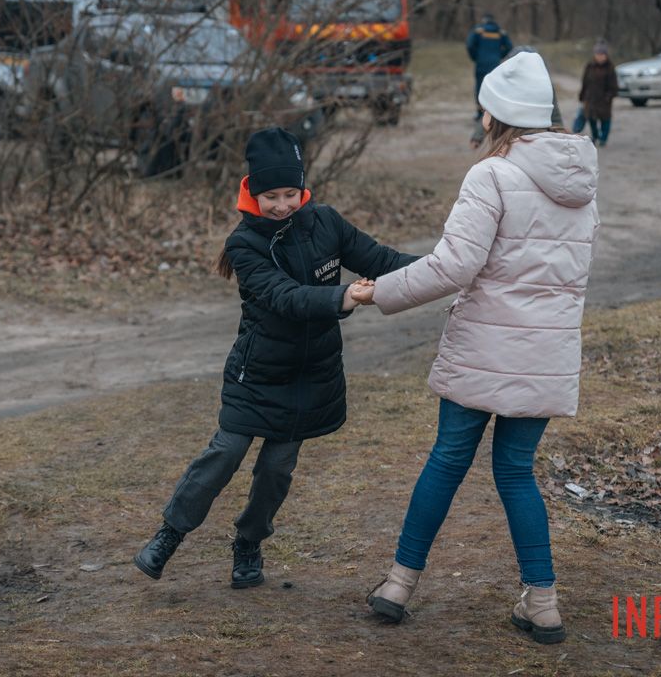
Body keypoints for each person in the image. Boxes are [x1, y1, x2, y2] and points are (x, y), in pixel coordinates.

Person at [352, 52, 599, 644]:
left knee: (447, 460)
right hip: (546, 355)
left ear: (494, 115)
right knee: (515, 471)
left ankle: (398, 585)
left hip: (484, 346)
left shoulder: (490, 174)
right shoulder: (583, 184)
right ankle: (543, 604)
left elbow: (453, 266)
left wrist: (378, 291)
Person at [133, 127, 418, 587]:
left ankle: (249, 542)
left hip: (313, 374)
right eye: (271, 196)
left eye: (290, 194)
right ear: (253, 192)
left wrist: (444, 266)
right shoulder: (243, 245)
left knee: (277, 468)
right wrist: (346, 296)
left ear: (302, 188)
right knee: (224, 453)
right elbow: (285, 297)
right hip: (259, 373)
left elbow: (382, 259)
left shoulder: (326, 222)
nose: (283, 205)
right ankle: (171, 532)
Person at [466, 13, 513, 120]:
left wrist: (475, 57)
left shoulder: (478, 31)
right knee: (494, 88)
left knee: (480, 87)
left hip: (481, 64)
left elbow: (470, 45)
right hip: (495, 65)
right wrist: (499, 55)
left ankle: (480, 113)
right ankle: (493, 113)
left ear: (484, 20)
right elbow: (509, 47)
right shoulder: (500, 32)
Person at [574, 40, 618, 147]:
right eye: (598, 54)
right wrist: (582, 95)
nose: (599, 56)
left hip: (604, 100)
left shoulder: (610, 68)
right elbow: (584, 82)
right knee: (591, 118)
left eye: (602, 54)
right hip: (590, 98)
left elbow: (614, 86)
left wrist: (608, 97)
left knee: (605, 120)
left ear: (606, 55)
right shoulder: (589, 66)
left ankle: (603, 138)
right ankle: (595, 136)